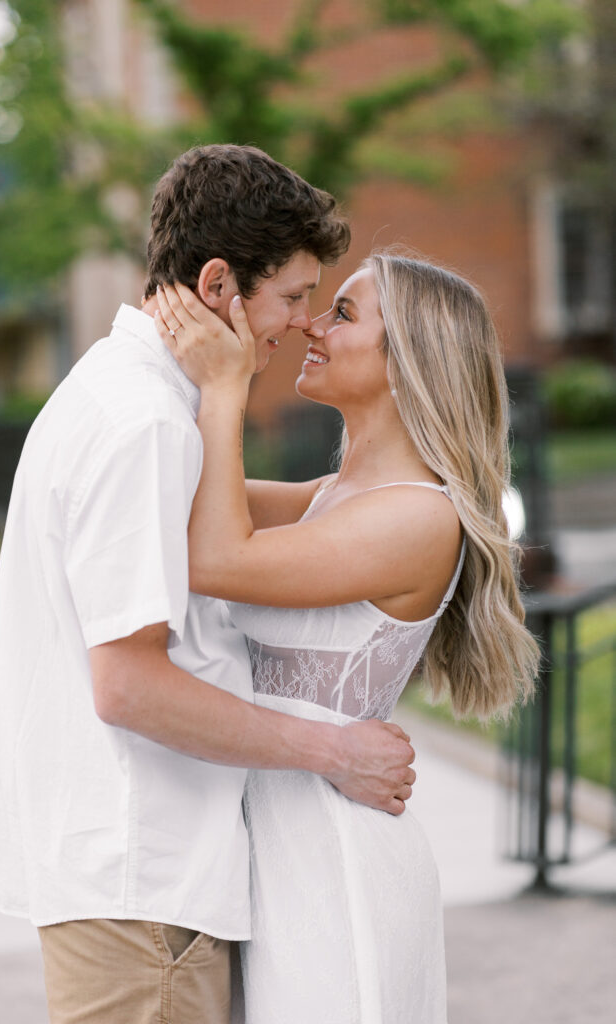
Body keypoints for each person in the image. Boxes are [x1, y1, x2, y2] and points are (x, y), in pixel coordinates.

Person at [0, 145, 419, 1024]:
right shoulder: (145, 427)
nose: (301, 324)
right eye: (290, 296)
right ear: (217, 285)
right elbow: (128, 685)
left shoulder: (124, 396)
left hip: (138, 883)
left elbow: (277, 513)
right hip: (144, 887)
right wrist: (335, 752)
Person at [154, 251, 540, 1023]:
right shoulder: (327, 498)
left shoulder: (417, 516)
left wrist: (226, 386)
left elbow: (215, 556)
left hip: (333, 865)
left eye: (344, 314)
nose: (310, 324)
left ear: (408, 365)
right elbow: (167, 497)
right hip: (268, 852)